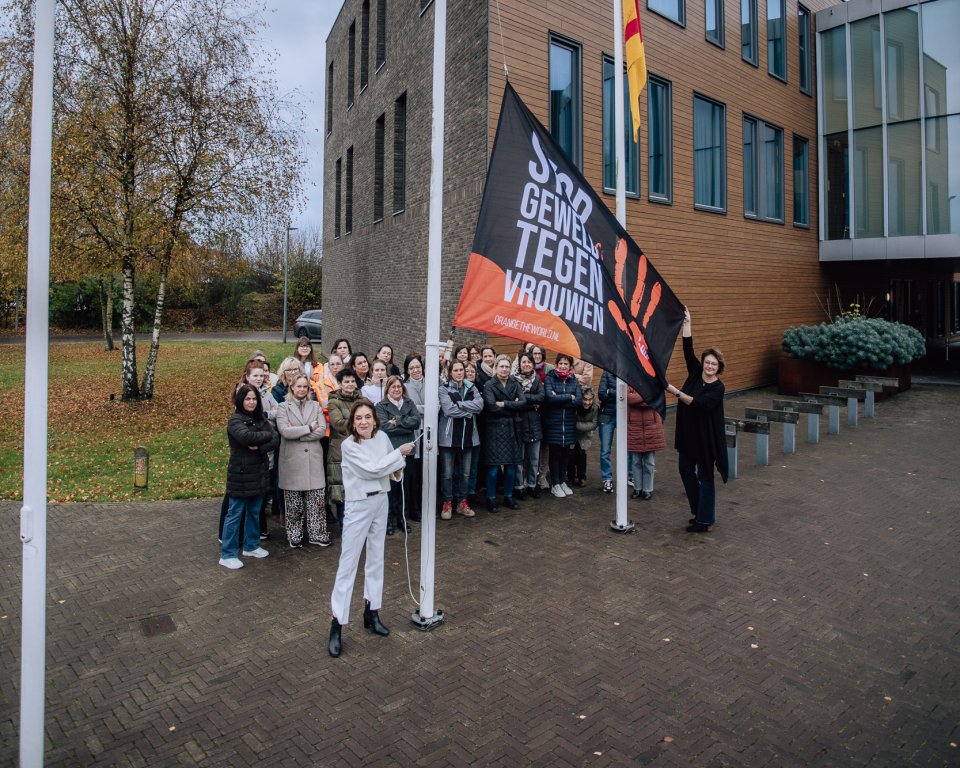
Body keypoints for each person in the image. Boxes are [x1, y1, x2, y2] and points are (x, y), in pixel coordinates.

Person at [328, 401, 415, 658]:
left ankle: (372, 611)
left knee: (376, 559)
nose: (364, 422)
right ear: (353, 422)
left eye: (368, 417)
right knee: (348, 563)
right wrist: (398, 455)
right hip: (358, 505)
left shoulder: (383, 437)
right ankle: (337, 623)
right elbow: (371, 470)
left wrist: (398, 465)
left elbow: (394, 472)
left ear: (375, 420)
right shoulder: (348, 445)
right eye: (359, 418)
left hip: (381, 500)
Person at [666, 308, 728, 533]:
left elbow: (700, 404)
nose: (710, 366)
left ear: (719, 367)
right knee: (685, 471)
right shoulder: (695, 373)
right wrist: (687, 324)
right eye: (707, 363)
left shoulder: (718, 388)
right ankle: (698, 511)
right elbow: (687, 348)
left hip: (705, 440)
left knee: (705, 477)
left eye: (714, 364)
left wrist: (675, 392)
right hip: (688, 436)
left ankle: (706, 520)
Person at [220, 385, 278, 569]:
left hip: (259, 473)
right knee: (235, 513)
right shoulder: (235, 420)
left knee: (254, 511)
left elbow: (275, 438)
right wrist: (265, 437)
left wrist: (260, 445)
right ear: (240, 400)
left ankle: (251, 545)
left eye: (254, 399)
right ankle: (227, 553)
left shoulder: (260, 419)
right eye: (247, 399)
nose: (251, 402)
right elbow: (245, 438)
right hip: (241, 474)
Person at [276, 374, 330, 547]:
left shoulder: (315, 405)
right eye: (298, 386)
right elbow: (285, 431)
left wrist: (298, 435)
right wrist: (307, 428)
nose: (301, 389)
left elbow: (321, 430)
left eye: (305, 387)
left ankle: (317, 533)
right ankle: (295, 535)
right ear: (292, 387)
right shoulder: (283, 407)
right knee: (294, 504)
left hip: (313, 458)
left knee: (316, 501)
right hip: (292, 461)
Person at [376, 375, 422, 534]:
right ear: (388, 389)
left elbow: (416, 422)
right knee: (391, 489)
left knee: (405, 487)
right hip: (391, 451)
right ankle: (388, 520)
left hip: (408, 450)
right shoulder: (381, 406)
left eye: (399, 386)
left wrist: (397, 420)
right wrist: (403, 423)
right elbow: (383, 427)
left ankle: (402, 518)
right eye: (393, 387)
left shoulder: (409, 403)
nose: (396, 389)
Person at [438, 359, 483, 519]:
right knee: (448, 474)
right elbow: (448, 410)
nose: (459, 373)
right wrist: (468, 411)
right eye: (455, 370)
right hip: (449, 438)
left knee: (465, 473)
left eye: (461, 370)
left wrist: (460, 405)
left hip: (469, 437)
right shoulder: (443, 389)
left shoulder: (472, 387)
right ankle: (447, 502)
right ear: (450, 372)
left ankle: (462, 502)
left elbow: (480, 405)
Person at [481, 355, 525, 512]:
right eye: (502, 366)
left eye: (507, 366)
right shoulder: (489, 385)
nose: (505, 369)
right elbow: (492, 407)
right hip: (495, 430)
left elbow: (523, 402)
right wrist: (513, 407)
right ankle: (491, 498)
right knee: (493, 469)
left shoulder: (515, 382)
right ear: (496, 368)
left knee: (511, 467)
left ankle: (508, 496)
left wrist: (505, 404)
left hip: (512, 429)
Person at [326, 368, 366, 534]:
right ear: (340, 383)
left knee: (359, 489)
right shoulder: (334, 401)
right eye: (346, 382)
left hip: (361, 449)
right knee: (342, 490)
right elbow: (338, 423)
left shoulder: (362, 399)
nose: (350, 384)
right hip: (340, 451)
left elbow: (369, 418)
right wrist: (359, 423)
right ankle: (344, 527)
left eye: (352, 381)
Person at [543, 354, 583, 497]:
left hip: (569, 423)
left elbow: (578, 400)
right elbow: (550, 397)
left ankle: (562, 481)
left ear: (570, 366)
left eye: (566, 364)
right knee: (555, 454)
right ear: (556, 364)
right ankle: (555, 484)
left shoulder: (574, 380)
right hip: (554, 422)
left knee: (566, 453)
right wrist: (568, 397)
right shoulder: (550, 378)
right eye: (561, 363)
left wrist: (559, 399)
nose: (563, 366)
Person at [512, 351, 544, 499]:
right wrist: (531, 401)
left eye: (529, 362)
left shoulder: (537, 379)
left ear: (533, 364)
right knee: (519, 459)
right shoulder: (513, 380)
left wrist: (524, 398)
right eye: (524, 362)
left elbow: (541, 397)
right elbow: (513, 400)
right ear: (519, 364)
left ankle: (532, 485)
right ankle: (519, 487)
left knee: (534, 459)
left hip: (535, 423)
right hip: (519, 422)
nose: (526, 364)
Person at [626, 386, 666, 501]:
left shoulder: (652, 381)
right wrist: (646, 396)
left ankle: (647, 489)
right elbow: (628, 398)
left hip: (651, 427)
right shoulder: (629, 380)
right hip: (634, 426)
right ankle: (637, 488)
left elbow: (656, 398)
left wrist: (637, 399)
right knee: (636, 461)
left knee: (649, 462)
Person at [402, 354, 425, 520]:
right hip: (414, 434)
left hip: (431, 434)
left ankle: (427, 505)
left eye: (418, 367)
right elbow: (409, 409)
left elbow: (438, 406)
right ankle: (413, 507)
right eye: (411, 368)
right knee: (414, 474)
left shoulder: (431, 382)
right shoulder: (404, 387)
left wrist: (418, 408)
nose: (415, 370)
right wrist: (425, 408)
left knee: (428, 472)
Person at [569, 386, 599, 487]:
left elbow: (594, 424)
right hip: (572, 432)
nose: (587, 402)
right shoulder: (575, 406)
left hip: (585, 434)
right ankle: (571, 476)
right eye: (585, 399)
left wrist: (577, 425)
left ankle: (582, 476)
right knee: (571, 453)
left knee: (581, 453)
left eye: (590, 399)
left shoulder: (595, 407)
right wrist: (583, 425)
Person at [597, 369, 619, 493]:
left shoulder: (628, 373)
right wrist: (619, 395)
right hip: (606, 415)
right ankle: (607, 478)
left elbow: (629, 395)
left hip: (624, 416)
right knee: (605, 449)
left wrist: (610, 391)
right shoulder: (607, 373)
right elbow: (601, 394)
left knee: (629, 449)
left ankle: (630, 475)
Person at [464, 361, 483, 497]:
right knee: (462, 467)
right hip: (462, 433)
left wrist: (462, 406)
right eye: (467, 371)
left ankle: (471, 492)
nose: (469, 373)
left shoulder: (479, 388)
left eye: (472, 371)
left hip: (477, 431)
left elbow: (479, 407)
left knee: (474, 465)